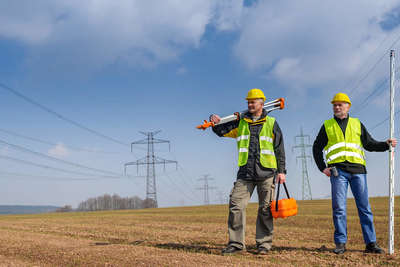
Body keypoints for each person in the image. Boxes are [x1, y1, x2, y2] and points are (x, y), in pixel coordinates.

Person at [312, 92, 397, 254]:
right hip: (338, 172)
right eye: (335, 105)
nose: (337, 107)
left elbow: (369, 144)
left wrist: (386, 145)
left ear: (348, 106)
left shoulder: (357, 123)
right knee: (339, 208)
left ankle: (371, 243)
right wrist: (323, 167)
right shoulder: (327, 125)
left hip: (358, 171)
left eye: (340, 104)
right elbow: (316, 148)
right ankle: (340, 243)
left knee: (364, 207)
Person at [210, 88, 286, 255]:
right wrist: (214, 121)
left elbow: (279, 148)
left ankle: (263, 245)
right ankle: (236, 245)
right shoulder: (241, 123)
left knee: (265, 209)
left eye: (253, 101)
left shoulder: (271, 123)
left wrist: (282, 171)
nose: (250, 104)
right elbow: (221, 131)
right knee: (236, 205)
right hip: (245, 173)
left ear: (261, 103)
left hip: (266, 172)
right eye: (248, 102)